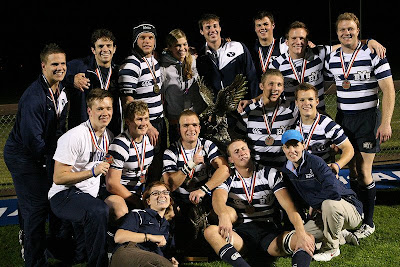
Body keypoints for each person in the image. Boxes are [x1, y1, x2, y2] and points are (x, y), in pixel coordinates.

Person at [325, 12, 395, 239]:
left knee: (365, 171)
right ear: (337, 33)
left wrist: (385, 123)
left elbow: (389, 90)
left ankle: (370, 223)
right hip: (344, 118)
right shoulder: (332, 57)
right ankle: (357, 213)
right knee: (351, 170)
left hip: (367, 118)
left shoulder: (373, 53)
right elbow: (319, 50)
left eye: (351, 29)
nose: (347, 33)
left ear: (358, 31)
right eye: (342, 30)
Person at [3, 43, 68, 266]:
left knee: (37, 202)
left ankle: (39, 243)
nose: (60, 68)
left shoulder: (60, 90)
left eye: (62, 63)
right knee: (36, 208)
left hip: (42, 154)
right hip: (23, 157)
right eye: (54, 64)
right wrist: (56, 161)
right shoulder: (34, 98)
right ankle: (34, 260)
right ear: (43, 66)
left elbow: (58, 129)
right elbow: (34, 142)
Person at [204, 139, 315, 267]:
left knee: (308, 237)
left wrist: (301, 233)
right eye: (236, 151)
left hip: (269, 233)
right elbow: (218, 198)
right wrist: (223, 215)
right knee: (210, 231)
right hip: (241, 235)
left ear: (249, 152)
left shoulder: (269, 173)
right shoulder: (228, 177)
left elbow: (289, 207)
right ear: (231, 160)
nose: (241, 153)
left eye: (243, 149)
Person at [48, 88, 114, 266]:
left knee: (78, 255)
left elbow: (102, 159)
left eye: (108, 108)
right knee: (99, 210)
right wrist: (93, 172)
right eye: (99, 109)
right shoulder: (75, 136)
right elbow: (59, 178)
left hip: (86, 196)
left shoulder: (108, 136)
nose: (105, 113)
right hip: (64, 195)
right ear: (89, 111)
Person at [281, 130, 363, 261]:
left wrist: (315, 205)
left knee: (328, 204)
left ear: (303, 145)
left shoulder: (316, 162)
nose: (292, 150)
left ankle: (331, 249)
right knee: (299, 236)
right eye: (287, 147)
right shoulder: (286, 170)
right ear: (283, 149)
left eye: (295, 145)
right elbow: (296, 199)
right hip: (323, 213)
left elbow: (334, 192)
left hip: (350, 208)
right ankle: (341, 233)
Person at [270, 21, 386, 110]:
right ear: (286, 41)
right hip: (291, 119)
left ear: (307, 41)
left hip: (317, 117)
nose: (298, 42)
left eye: (302, 38)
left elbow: (346, 44)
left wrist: (369, 41)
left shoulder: (319, 52)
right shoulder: (276, 64)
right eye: (294, 38)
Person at [162, 109, 230, 255]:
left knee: (228, 214)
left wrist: (204, 189)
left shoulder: (207, 145)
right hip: (181, 200)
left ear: (199, 128)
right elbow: (170, 184)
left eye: (194, 125)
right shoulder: (171, 151)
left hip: (205, 198)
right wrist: (190, 165)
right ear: (179, 129)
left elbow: (224, 169)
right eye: (185, 125)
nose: (190, 129)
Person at [119, 22, 166, 182]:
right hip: (145, 125)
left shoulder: (154, 61)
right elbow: (127, 101)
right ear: (135, 41)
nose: (147, 41)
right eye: (142, 38)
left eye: (150, 37)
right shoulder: (131, 64)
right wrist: (148, 126)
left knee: (158, 165)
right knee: (145, 165)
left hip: (159, 122)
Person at [65, 28, 122, 136]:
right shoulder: (80, 66)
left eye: (109, 45)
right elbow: (56, 74)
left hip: (110, 130)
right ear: (93, 50)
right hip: (83, 131)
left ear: (114, 49)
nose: (105, 49)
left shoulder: (118, 72)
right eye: (100, 46)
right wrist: (72, 80)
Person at [110, 181, 178, 267]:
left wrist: (172, 261)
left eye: (165, 192)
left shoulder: (168, 227)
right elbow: (119, 237)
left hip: (150, 259)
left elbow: (167, 254)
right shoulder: (139, 214)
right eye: (156, 193)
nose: (162, 195)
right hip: (128, 251)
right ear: (148, 201)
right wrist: (150, 237)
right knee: (161, 263)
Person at [105, 100, 154, 220]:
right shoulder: (119, 145)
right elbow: (111, 184)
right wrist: (135, 201)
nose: (144, 123)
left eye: (146, 119)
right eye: (139, 119)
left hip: (139, 192)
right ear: (128, 122)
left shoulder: (149, 141)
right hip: (117, 194)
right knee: (120, 211)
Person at [239, 69, 298, 169]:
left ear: (283, 88)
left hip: (284, 170)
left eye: (279, 84)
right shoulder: (249, 112)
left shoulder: (291, 109)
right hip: (257, 171)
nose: (275, 88)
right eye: (271, 84)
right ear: (261, 86)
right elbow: (238, 138)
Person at [196, 13, 259, 100]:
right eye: (208, 27)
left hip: (242, 106)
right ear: (201, 31)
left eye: (215, 26)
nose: (212, 30)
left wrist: (252, 103)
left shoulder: (238, 48)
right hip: (218, 110)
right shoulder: (200, 57)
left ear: (220, 28)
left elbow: (252, 76)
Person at [294, 82, 354, 173]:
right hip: (301, 175)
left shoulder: (327, 125)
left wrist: (337, 165)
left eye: (310, 99)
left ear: (317, 101)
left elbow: (348, 149)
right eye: (302, 100)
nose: (306, 103)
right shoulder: (293, 125)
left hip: (322, 174)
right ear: (296, 103)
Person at [160, 28, 207, 144]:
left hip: (196, 119)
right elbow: (160, 96)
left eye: (184, 44)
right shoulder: (163, 68)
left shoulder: (192, 61)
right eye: (177, 45)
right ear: (169, 47)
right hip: (176, 121)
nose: (182, 49)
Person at [251, 11, 288, 81]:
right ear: (255, 28)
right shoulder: (250, 49)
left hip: (279, 89)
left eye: (265, 24)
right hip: (258, 90)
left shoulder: (283, 45)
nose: (262, 28)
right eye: (259, 25)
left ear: (273, 25)